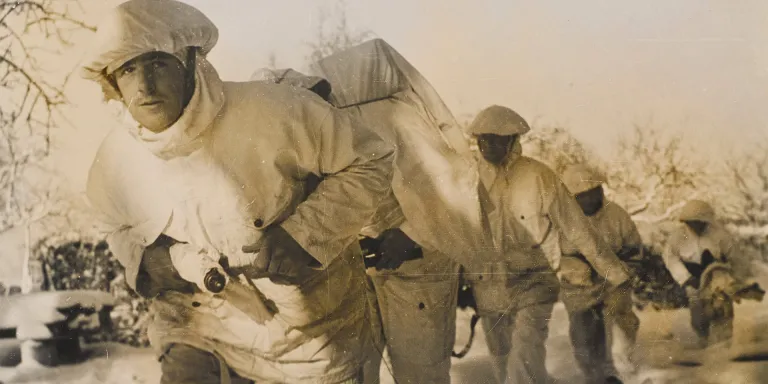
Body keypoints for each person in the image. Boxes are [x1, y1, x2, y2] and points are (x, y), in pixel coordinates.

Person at [81, 1, 395, 383]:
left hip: (308, 345)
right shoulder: (114, 160)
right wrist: (155, 261)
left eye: (158, 64)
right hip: (199, 329)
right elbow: (115, 228)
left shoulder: (274, 111)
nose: (144, 86)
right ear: (113, 84)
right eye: (128, 70)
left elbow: (370, 159)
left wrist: (304, 235)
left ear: (189, 62)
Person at [309, 38, 490, 384]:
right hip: (370, 270)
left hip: (422, 268)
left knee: (420, 372)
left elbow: (454, 191)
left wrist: (410, 235)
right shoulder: (343, 121)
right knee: (357, 367)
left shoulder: (400, 119)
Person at [464, 105, 633, 384]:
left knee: (525, 352)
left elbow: (577, 228)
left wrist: (614, 272)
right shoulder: (468, 178)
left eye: (495, 138)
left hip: (535, 279)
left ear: (513, 139)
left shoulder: (539, 176)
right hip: (488, 283)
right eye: (482, 138)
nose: (487, 145)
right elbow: (455, 231)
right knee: (503, 359)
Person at [559, 164, 643, 384]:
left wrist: (621, 265)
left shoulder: (616, 215)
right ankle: (594, 377)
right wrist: (578, 268)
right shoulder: (561, 221)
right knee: (583, 330)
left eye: (594, 191)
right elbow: (551, 255)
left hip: (614, 281)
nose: (590, 198)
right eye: (583, 195)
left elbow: (635, 247)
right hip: (578, 285)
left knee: (620, 322)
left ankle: (621, 372)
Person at [662, 200, 738, 348]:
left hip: (717, 279)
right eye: (692, 222)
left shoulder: (720, 236)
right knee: (698, 314)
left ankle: (724, 344)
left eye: (699, 222)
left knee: (721, 309)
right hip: (693, 280)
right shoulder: (678, 237)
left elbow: (736, 258)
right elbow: (670, 258)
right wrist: (685, 277)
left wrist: (735, 280)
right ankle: (703, 340)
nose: (695, 225)